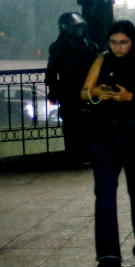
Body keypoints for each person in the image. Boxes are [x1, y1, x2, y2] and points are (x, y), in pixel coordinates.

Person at [79, 21, 135, 267]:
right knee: (104, 196)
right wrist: (97, 92)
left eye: (123, 42)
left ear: (133, 42)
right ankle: (108, 258)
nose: (117, 47)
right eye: (113, 42)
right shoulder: (101, 60)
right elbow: (83, 93)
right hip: (104, 135)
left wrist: (130, 98)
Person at [46, 12, 99, 164]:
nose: (79, 30)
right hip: (69, 91)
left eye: (80, 27)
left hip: (88, 90)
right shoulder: (59, 47)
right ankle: (76, 156)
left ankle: (89, 154)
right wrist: (54, 90)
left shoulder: (89, 45)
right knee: (72, 125)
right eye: (75, 27)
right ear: (65, 28)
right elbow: (52, 70)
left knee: (90, 123)